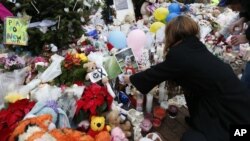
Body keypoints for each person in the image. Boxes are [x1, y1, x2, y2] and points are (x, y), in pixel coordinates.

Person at [124, 16, 250, 141]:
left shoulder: (180, 54)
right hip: (237, 100)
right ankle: (198, 122)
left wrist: (129, 79)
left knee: (190, 138)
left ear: (172, 34)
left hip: (235, 117)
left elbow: (153, 74)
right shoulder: (195, 45)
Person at [218, 0, 250, 88]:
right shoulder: (246, 6)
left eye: (231, 5)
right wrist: (243, 18)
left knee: (246, 84)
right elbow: (241, 15)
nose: (232, 9)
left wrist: (247, 37)